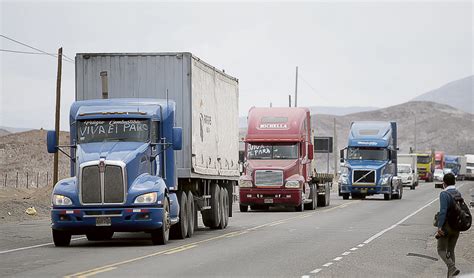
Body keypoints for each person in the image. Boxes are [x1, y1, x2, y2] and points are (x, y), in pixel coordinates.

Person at [436, 173, 461, 277]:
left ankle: (452, 267)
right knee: (451, 251)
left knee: (441, 249)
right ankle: (451, 275)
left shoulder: (444, 194)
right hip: (457, 227)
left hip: (446, 227)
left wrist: (439, 226)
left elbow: (443, 211)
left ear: (444, 183)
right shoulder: (457, 193)